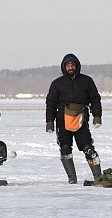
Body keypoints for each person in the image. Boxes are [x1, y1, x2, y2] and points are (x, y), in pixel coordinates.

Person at [46, 53, 103, 184]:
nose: (70, 67)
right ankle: (72, 179)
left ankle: (98, 177)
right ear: (63, 67)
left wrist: (97, 116)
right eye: (68, 65)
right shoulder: (57, 84)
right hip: (62, 121)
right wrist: (50, 122)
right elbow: (51, 103)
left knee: (89, 148)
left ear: (77, 66)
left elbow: (95, 99)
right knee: (65, 149)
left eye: (73, 65)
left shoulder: (87, 81)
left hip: (81, 120)